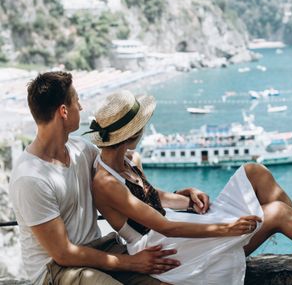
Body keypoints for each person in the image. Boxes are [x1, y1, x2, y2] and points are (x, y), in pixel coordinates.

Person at [90, 89, 292, 285]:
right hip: (164, 250)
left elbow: (153, 199)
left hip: (174, 230)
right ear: (130, 133)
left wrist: (186, 197)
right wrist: (228, 229)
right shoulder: (105, 183)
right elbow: (163, 227)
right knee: (275, 213)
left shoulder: (131, 159)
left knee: (255, 171)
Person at [9, 71, 181, 285]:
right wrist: (132, 263)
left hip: (98, 250)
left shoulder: (82, 150)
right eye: (77, 101)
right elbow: (63, 253)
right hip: (56, 270)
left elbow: (123, 182)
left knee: (172, 277)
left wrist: (180, 197)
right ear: (63, 111)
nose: (80, 108)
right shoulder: (30, 178)